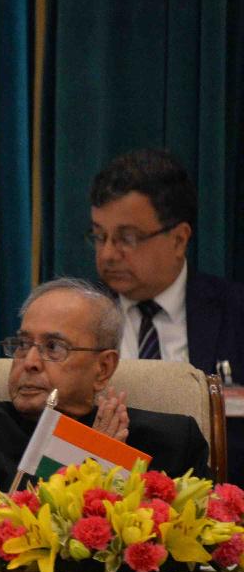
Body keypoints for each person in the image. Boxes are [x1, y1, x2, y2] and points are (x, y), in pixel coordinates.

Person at [0, 278, 210, 506]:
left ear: (103, 368)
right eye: (22, 344)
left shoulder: (172, 442)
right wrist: (86, 466)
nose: (30, 362)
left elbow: (198, 535)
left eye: (53, 347)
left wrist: (112, 468)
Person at [89, 148, 244, 483]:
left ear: (179, 239)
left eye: (127, 238)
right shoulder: (77, 319)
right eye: (100, 236)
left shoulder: (235, 312)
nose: (108, 253)